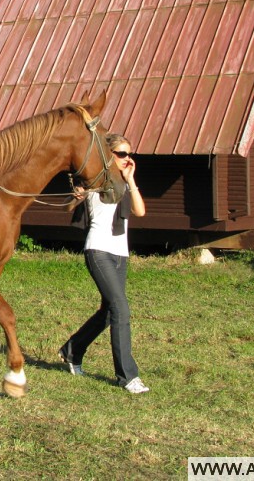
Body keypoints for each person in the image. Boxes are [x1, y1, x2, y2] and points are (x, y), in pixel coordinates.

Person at [59, 133, 150, 394]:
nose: (127, 158)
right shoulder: (94, 179)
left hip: (120, 253)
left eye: (129, 154)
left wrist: (131, 180)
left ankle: (72, 351)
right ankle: (128, 377)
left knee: (109, 312)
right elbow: (66, 208)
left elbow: (140, 211)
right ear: (109, 155)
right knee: (121, 308)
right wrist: (78, 195)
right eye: (121, 154)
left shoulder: (124, 182)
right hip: (98, 249)